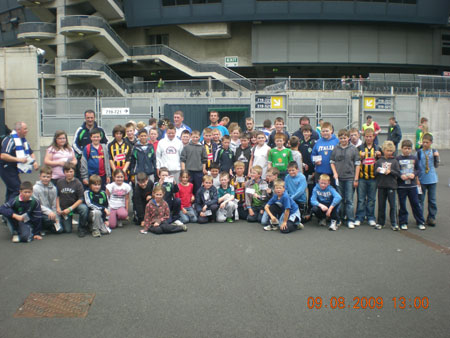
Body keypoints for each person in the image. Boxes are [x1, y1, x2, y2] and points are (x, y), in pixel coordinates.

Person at [0, 122, 39, 202]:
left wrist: (34, 162)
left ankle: (7, 211)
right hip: (6, 168)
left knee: (11, 190)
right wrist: (19, 159)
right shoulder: (10, 140)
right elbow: (3, 155)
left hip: (14, 169)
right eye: (25, 129)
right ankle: (8, 209)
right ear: (18, 130)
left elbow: (30, 152)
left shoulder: (23, 140)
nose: (27, 131)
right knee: (17, 189)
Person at [330, 129, 361, 229]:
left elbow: (357, 164)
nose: (343, 140)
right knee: (340, 199)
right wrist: (335, 173)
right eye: (341, 138)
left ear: (348, 138)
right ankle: (340, 219)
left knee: (349, 200)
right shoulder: (336, 148)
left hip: (350, 178)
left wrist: (356, 178)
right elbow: (332, 161)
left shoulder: (353, 149)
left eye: (345, 138)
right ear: (338, 138)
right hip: (339, 178)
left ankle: (350, 219)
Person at [396, 140, 426, 231]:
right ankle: (403, 222)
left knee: (415, 203)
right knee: (402, 205)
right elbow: (396, 171)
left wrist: (414, 174)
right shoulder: (398, 159)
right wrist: (400, 176)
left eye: (409, 149)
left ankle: (420, 221)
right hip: (401, 186)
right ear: (401, 149)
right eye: (405, 148)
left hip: (412, 186)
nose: (407, 150)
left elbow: (418, 169)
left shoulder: (414, 158)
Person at [56, 162, 89, 236]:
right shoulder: (59, 182)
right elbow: (57, 196)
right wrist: (58, 207)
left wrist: (70, 209)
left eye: (71, 171)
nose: (69, 174)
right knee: (67, 230)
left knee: (84, 209)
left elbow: (81, 199)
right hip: (64, 208)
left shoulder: (78, 183)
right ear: (64, 172)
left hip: (75, 206)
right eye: (67, 172)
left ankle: (82, 228)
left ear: (74, 172)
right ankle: (66, 220)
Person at [374, 141, 400, 230]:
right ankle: (380, 222)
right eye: (387, 150)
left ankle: (394, 223)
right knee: (381, 205)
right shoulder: (379, 161)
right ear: (383, 150)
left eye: (391, 151)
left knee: (393, 205)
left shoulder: (395, 161)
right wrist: (377, 170)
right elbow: (374, 173)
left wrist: (391, 171)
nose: (389, 152)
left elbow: (398, 173)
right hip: (381, 186)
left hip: (391, 186)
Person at [73, 110, 108, 176]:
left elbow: (106, 143)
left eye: (91, 118)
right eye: (88, 118)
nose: (90, 120)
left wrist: (102, 152)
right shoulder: (80, 130)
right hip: (84, 161)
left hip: (99, 160)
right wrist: (83, 154)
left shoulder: (100, 130)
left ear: (94, 118)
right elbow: (74, 144)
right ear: (85, 118)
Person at [417, 133, 439, 226]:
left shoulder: (434, 151)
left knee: (432, 200)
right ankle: (420, 218)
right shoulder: (419, 152)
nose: (425, 144)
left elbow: (436, 165)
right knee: (420, 200)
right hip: (422, 179)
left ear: (431, 142)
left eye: (427, 142)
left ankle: (431, 218)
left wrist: (436, 157)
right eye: (423, 142)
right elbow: (416, 166)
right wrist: (417, 178)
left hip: (432, 179)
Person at [33, 166, 62, 235]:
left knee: (60, 230)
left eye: (48, 177)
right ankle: (40, 228)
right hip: (40, 212)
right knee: (47, 219)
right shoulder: (35, 188)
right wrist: (49, 212)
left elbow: (54, 205)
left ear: (51, 177)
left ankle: (48, 227)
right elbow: (36, 205)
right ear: (40, 177)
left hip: (51, 213)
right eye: (44, 176)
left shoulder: (54, 188)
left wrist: (56, 218)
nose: (46, 179)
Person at [180, 130, 206, 195]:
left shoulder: (202, 147)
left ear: (199, 137)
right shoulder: (186, 147)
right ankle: (188, 202)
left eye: (196, 137)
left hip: (199, 172)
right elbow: (183, 159)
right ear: (191, 137)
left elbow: (204, 160)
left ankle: (197, 202)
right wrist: (183, 170)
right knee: (188, 188)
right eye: (193, 137)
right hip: (189, 171)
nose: (195, 139)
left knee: (198, 188)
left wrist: (203, 169)